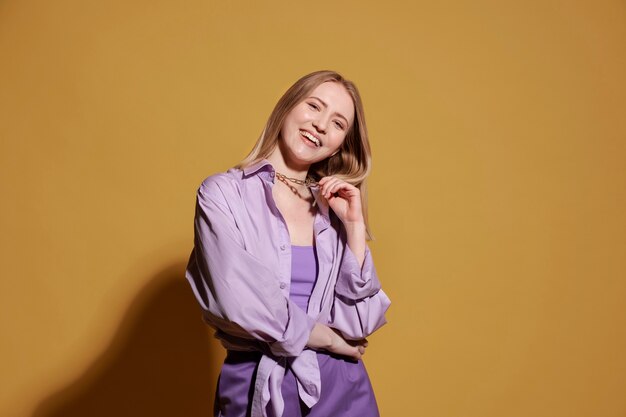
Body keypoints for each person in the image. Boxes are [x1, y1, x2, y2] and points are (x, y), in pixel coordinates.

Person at [184, 70, 391, 417]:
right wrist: (326, 338)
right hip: (256, 385)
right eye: (314, 106)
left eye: (338, 123)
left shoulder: (332, 210)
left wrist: (354, 226)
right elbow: (238, 300)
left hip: (343, 389)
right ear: (289, 106)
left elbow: (358, 324)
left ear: (342, 142)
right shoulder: (223, 194)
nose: (321, 125)